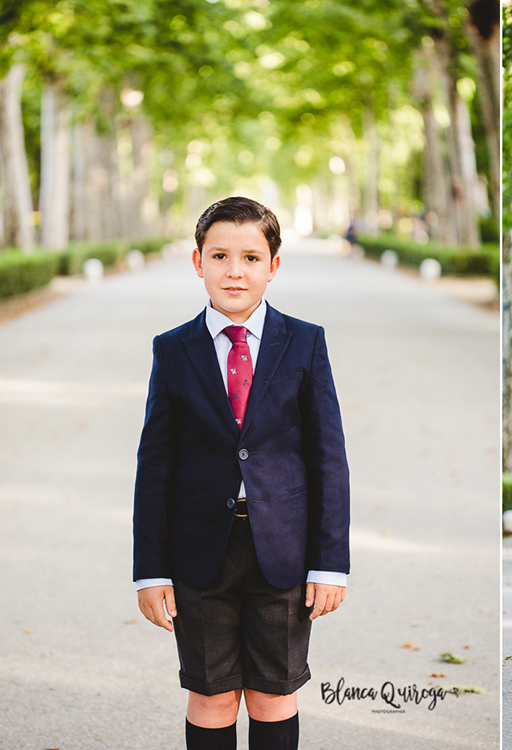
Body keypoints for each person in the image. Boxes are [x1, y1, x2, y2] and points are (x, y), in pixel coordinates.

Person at [133, 196, 350, 750]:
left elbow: (328, 455)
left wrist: (330, 563)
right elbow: (155, 464)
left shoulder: (304, 342)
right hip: (199, 552)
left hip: (284, 551)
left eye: (251, 257)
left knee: (273, 694)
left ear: (273, 266)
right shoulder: (173, 349)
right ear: (197, 262)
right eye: (220, 255)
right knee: (211, 695)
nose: (235, 270)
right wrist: (150, 571)